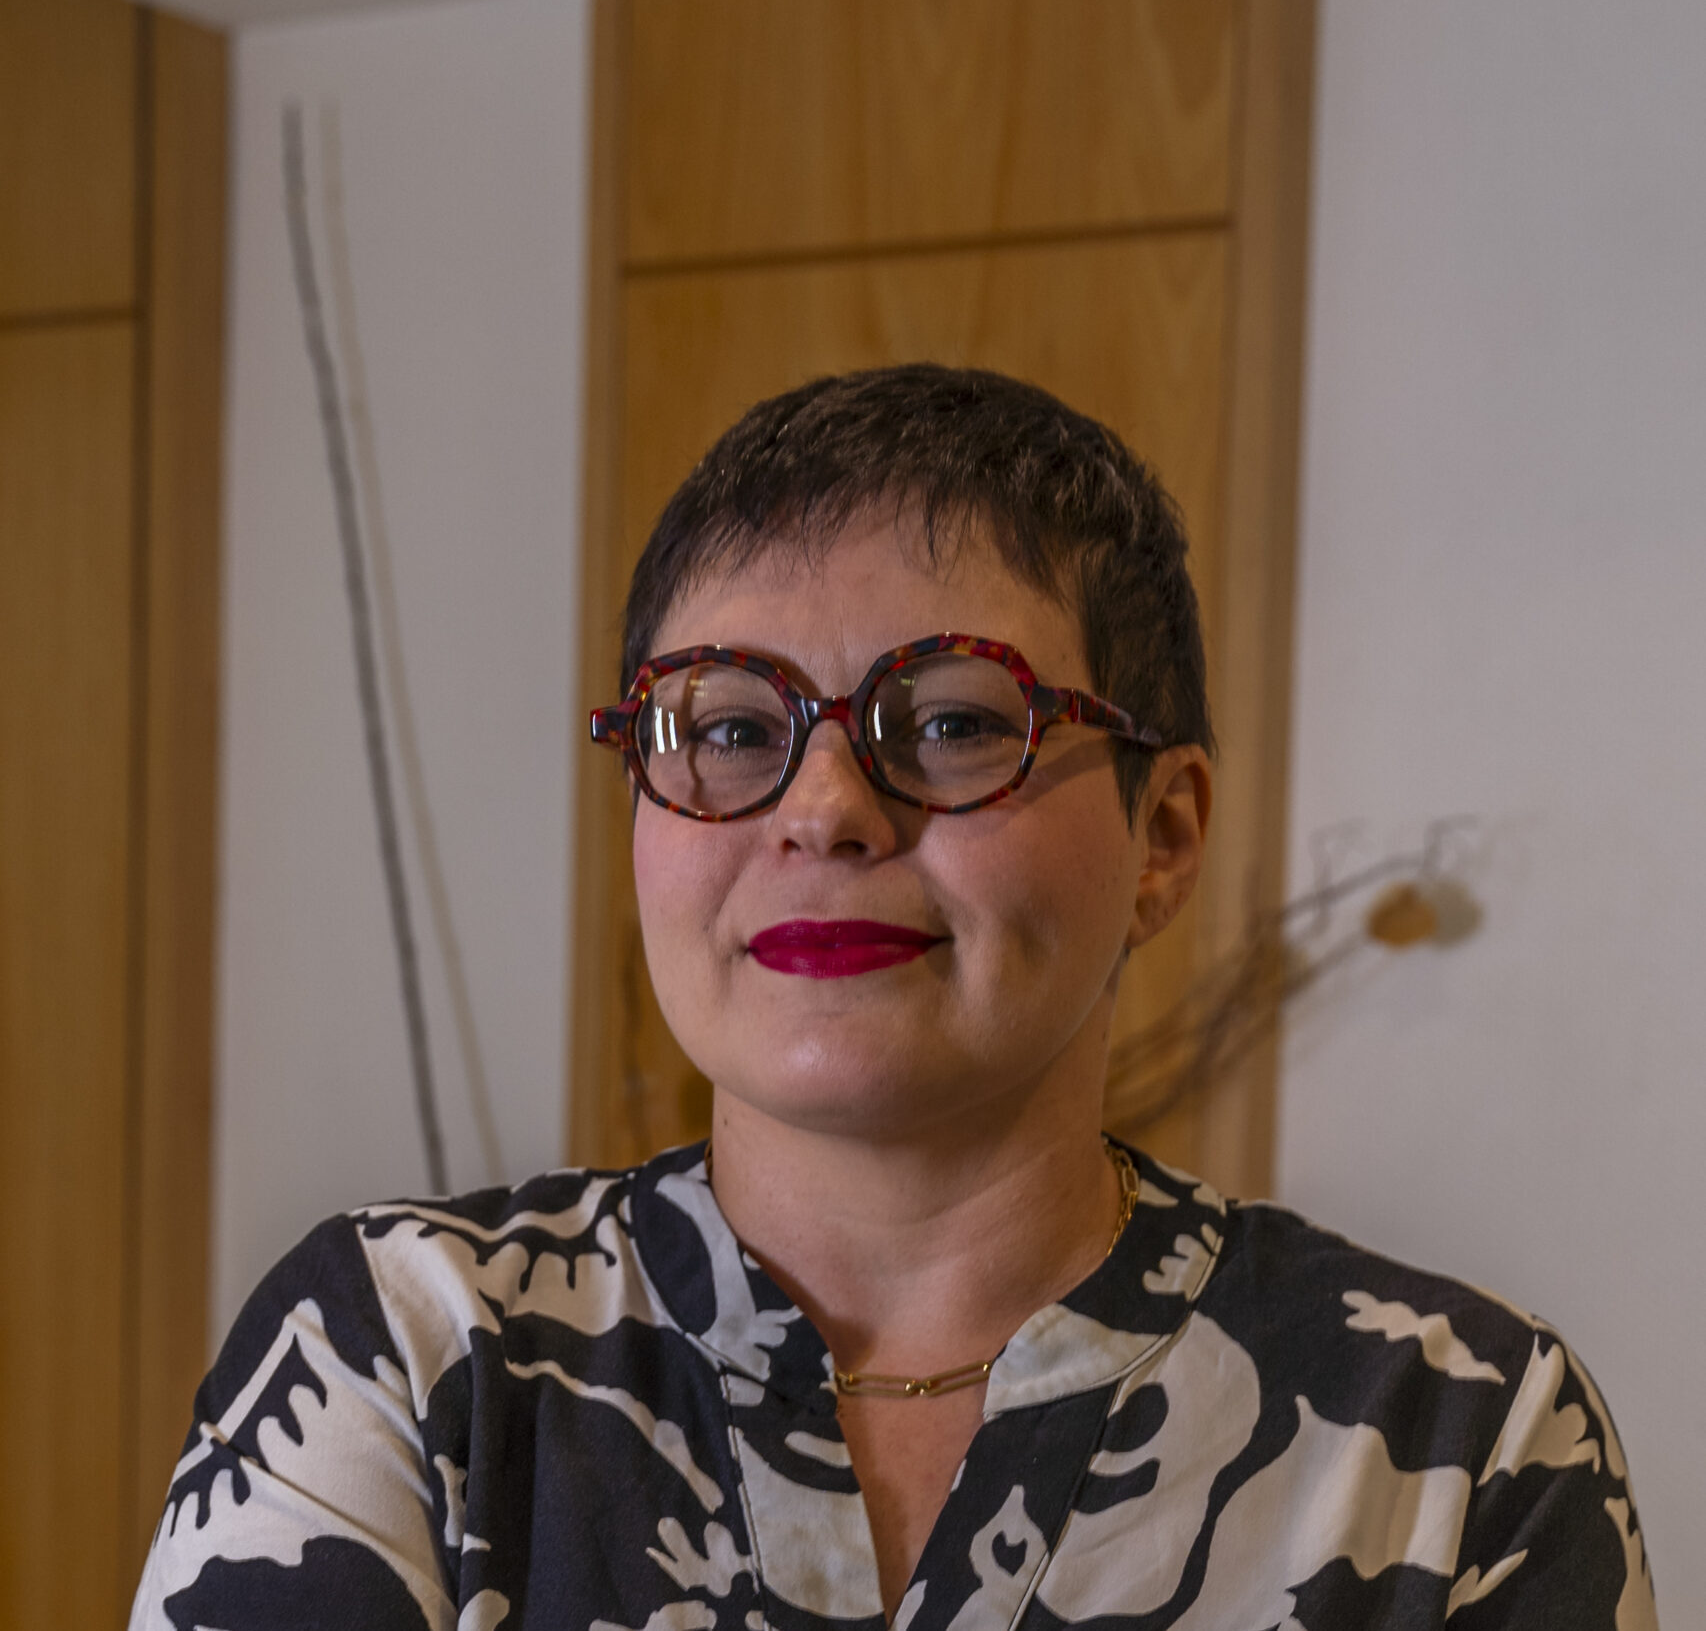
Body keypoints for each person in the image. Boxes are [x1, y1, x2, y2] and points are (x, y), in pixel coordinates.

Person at [131, 365, 1657, 1630]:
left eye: (948, 722)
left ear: (1163, 835)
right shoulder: (405, 1356)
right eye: (731, 727)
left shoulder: (1455, 1430)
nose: (824, 809)